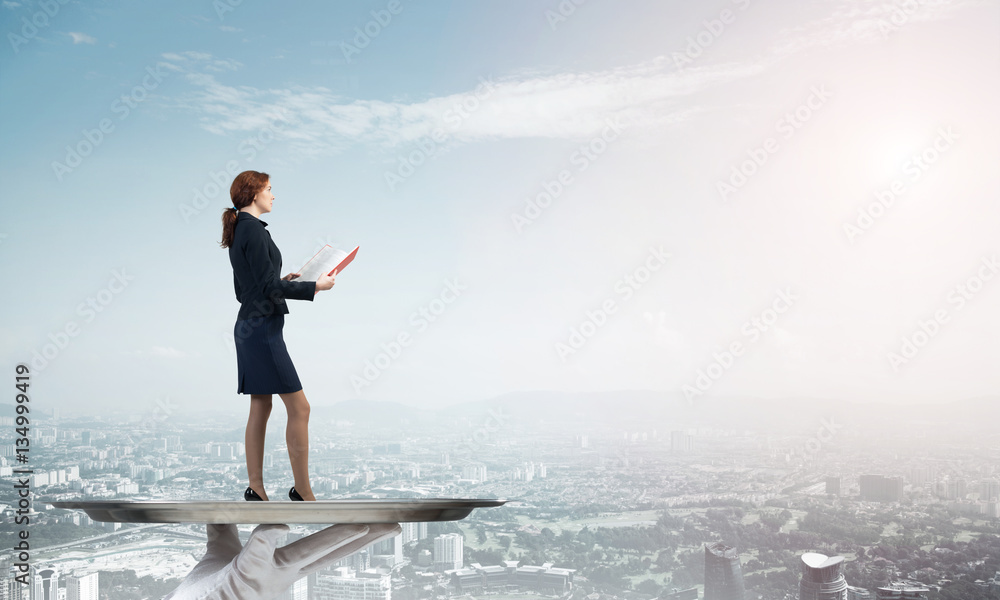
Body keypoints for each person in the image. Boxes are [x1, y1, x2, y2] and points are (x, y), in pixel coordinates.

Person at [219, 170, 336, 502]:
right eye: (269, 189)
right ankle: (303, 490)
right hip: (262, 330)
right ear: (254, 193)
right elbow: (265, 289)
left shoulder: (242, 229)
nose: (273, 195)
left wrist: (282, 280)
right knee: (300, 408)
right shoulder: (253, 230)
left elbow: (248, 290)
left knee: (261, 405)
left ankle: (256, 488)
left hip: (251, 325)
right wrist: (314, 286)